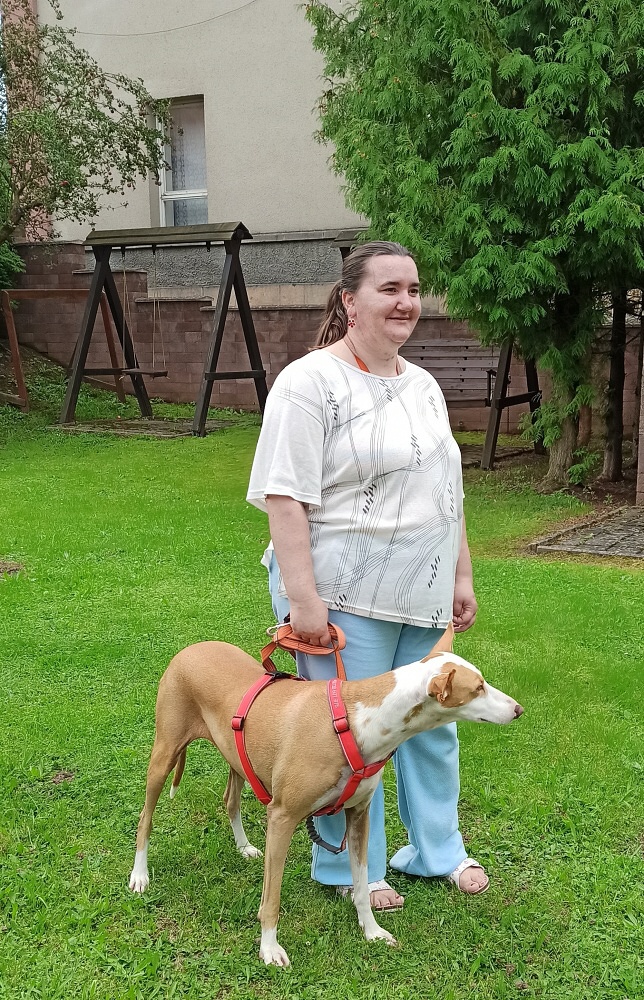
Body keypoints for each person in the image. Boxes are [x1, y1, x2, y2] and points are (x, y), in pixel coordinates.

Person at [247, 241, 487, 911]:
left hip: (423, 593)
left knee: (435, 722)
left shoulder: (424, 385)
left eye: (413, 289)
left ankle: (437, 850)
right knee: (346, 735)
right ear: (350, 301)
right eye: (389, 289)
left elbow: (446, 491)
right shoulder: (308, 383)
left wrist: (460, 574)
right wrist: (304, 601)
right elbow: (284, 497)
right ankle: (350, 868)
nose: (406, 302)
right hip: (343, 597)